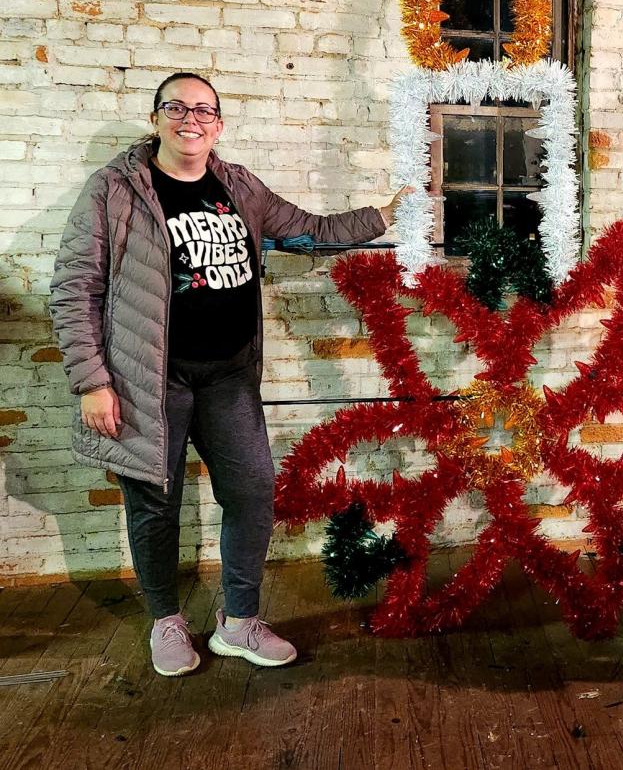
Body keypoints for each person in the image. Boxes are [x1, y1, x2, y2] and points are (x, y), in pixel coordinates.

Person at [50, 72, 412, 677]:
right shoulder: (114, 190)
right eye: (177, 108)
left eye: (203, 110)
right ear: (155, 117)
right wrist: (93, 380)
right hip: (149, 380)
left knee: (251, 494)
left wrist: (382, 215)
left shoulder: (236, 185)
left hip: (229, 378)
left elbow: (309, 232)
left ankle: (238, 622)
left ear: (218, 124)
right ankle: (166, 619)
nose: (190, 119)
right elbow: (74, 288)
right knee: (154, 506)